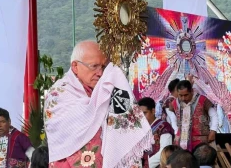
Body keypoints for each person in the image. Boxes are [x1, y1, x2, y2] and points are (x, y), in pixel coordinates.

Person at [44, 40, 152, 168]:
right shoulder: (59, 94)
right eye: (94, 66)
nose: (100, 73)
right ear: (75, 66)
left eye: (103, 67)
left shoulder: (105, 89)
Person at [168, 80, 218, 151]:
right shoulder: (174, 103)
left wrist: (213, 131)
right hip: (181, 140)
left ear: (191, 91)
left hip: (202, 140)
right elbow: (173, 119)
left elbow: (214, 115)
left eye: (186, 95)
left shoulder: (202, 100)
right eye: (180, 95)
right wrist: (176, 132)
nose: (183, 98)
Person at [138, 97, 174, 168]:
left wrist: (146, 165)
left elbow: (164, 151)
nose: (142, 117)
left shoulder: (164, 126)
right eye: (140, 114)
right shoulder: (140, 129)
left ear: (153, 111)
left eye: (145, 113)